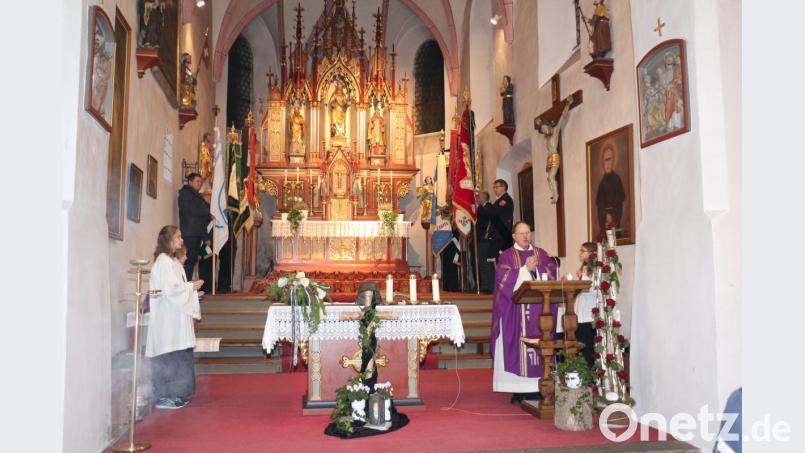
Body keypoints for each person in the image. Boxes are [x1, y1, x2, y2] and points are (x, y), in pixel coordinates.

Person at [491, 221, 557, 404]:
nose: (526, 236)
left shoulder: (541, 253)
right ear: (514, 236)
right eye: (522, 233)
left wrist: (537, 269)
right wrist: (524, 270)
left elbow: (552, 271)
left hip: (539, 311)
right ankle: (517, 390)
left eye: (528, 233)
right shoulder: (506, 256)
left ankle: (538, 388)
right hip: (515, 311)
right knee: (516, 348)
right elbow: (502, 279)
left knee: (539, 346)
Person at [146, 226, 203, 410]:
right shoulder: (163, 262)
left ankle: (176, 394)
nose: (181, 240)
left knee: (178, 355)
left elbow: (178, 287)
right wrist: (192, 287)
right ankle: (165, 397)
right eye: (178, 237)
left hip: (175, 317)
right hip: (167, 320)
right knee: (169, 357)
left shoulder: (172, 262)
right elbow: (172, 290)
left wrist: (192, 291)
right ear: (168, 240)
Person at [556, 242, 597, 367]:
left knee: (588, 348)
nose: (580, 254)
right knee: (581, 347)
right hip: (580, 315)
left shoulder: (596, 269)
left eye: (582, 251)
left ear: (591, 253)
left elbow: (593, 289)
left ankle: (590, 376)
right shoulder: (584, 269)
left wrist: (580, 280)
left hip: (589, 315)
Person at [178, 173, 213, 291]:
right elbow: (192, 211)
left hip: (196, 233)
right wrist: (207, 212)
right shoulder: (185, 194)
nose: (199, 184)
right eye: (197, 181)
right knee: (188, 260)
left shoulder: (196, 196)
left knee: (192, 260)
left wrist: (205, 237)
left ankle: (188, 286)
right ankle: (185, 286)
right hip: (189, 233)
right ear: (190, 182)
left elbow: (202, 218)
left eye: (200, 182)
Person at [595, 144, 626, 236]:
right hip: (604, 226)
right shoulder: (601, 184)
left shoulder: (617, 180)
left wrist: (612, 217)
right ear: (603, 162)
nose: (607, 164)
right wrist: (605, 216)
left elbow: (619, 204)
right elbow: (600, 207)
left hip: (615, 225)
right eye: (606, 160)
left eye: (609, 159)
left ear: (613, 160)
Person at [475, 191, 495, 294]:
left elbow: (490, 220)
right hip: (480, 239)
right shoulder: (480, 208)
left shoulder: (489, 207)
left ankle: (490, 286)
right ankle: (485, 285)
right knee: (482, 263)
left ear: (485, 197)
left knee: (487, 263)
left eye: (479, 196)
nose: (477, 197)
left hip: (486, 239)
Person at [488, 179, 514, 255]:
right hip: (498, 234)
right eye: (494, 187)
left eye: (496, 187)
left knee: (503, 259)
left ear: (503, 187)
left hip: (502, 234)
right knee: (497, 259)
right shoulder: (499, 200)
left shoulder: (505, 199)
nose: (494, 189)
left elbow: (495, 213)